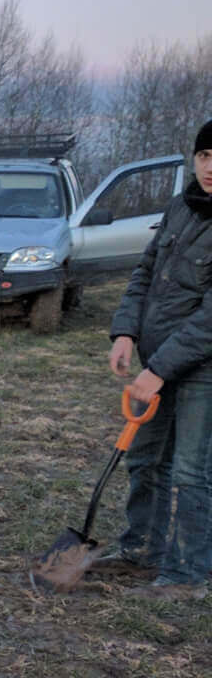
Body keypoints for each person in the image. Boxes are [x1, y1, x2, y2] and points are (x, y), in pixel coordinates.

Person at [105, 118, 212, 597]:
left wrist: (158, 370)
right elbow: (145, 272)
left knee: (191, 471)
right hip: (155, 362)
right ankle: (141, 550)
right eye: (205, 156)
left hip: (200, 371)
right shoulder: (181, 208)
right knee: (145, 461)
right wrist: (126, 330)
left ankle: (188, 574)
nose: (211, 167)